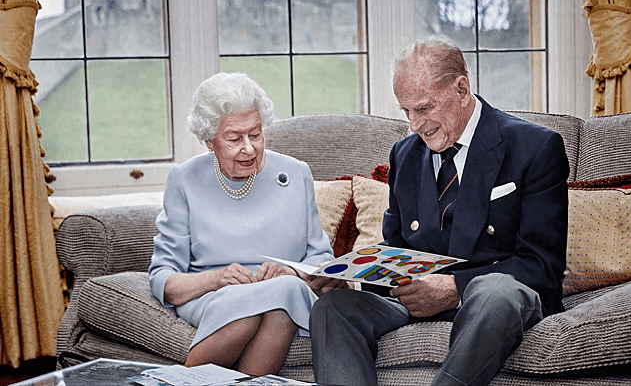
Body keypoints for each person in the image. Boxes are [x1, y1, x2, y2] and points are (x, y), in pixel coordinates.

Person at [308, 35, 570, 386]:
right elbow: (397, 250)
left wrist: (454, 287)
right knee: (333, 309)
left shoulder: (535, 147)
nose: (415, 125)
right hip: (417, 302)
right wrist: (354, 278)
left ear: (461, 89)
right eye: (406, 111)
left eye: (424, 108)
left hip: (493, 303)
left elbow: (542, 266)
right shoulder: (404, 155)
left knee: (496, 291)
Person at [149, 72, 335, 376]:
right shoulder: (185, 179)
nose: (248, 148)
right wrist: (217, 279)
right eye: (234, 139)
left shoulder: (295, 173)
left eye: (256, 134)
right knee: (255, 310)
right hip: (211, 293)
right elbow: (164, 279)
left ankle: (178, 381)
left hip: (285, 289)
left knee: (282, 295)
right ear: (209, 141)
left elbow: (321, 260)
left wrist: (291, 271)